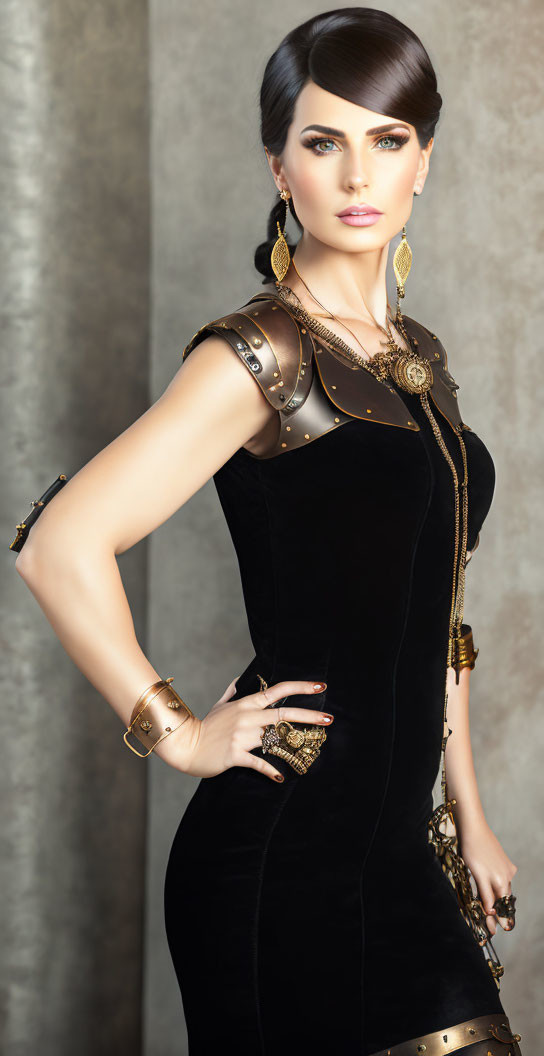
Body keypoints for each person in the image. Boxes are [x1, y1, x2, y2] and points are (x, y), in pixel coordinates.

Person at [11, 8, 523, 1055]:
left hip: (394, 856)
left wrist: (468, 814)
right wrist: (182, 730)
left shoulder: (412, 354)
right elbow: (59, 544)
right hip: (280, 856)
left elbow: (439, 619)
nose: (355, 177)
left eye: (386, 141)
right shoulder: (257, 357)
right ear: (278, 166)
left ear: (422, 160)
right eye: (321, 142)